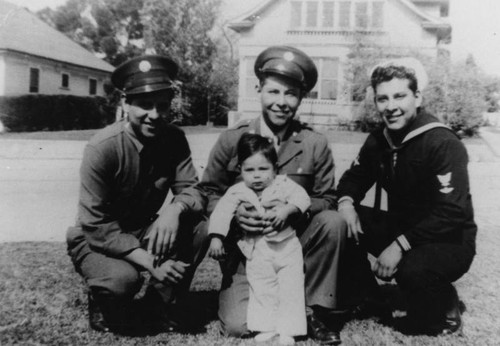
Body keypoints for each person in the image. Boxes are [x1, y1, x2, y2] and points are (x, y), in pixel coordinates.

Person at [200, 45, 347, 345]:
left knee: (334, 221)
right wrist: (236, 217)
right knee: (239, 325)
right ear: (259, 90)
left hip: (294, 246)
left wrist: (294, 209)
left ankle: (313, 309)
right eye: (274, 92)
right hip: (246, 250)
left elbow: (327, 199)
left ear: (301, 98)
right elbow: (209, 192)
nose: (282, 102)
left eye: (291, 94)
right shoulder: (232, 139)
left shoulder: (314, 143)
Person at [66, 55, 207, 335]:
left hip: (142, 229)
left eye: (162, 106)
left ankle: (159, 303)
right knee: (123, 280)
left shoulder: (174, 139)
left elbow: (194, 190)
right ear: (125, 103)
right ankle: (101, 297)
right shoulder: (102, 148)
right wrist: (151, 263)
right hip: (97, 238)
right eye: (144, 105)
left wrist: (174, 209)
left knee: (201, 228)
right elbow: (97, 225)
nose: (154, 115)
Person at [336, 57, 477, 335]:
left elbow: (451, 213)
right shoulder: (380, 139)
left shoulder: (442, 142)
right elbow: (354, 178)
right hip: (405, 228)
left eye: (399, 96)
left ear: (417, 97)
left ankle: (444, 302)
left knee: (411, 271)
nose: (391, 107)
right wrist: (346, 202)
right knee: (339, 223)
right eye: (382, 99)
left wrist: (399, 245)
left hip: (448, 240)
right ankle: (370, 296)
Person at [208, 133, 310, 345]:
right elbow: (222, 212)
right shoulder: (237, 191)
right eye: (249, 170)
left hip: (287, 248)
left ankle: (288, 330)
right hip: (257, 250)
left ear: (275, 168)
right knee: (262, 288)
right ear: (240, 170)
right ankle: (266, 327)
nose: (256, 176)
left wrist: (287, 210)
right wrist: (216, 237)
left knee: (289, 287)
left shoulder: (283, 184)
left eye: (263, 169)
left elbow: (303, 198)